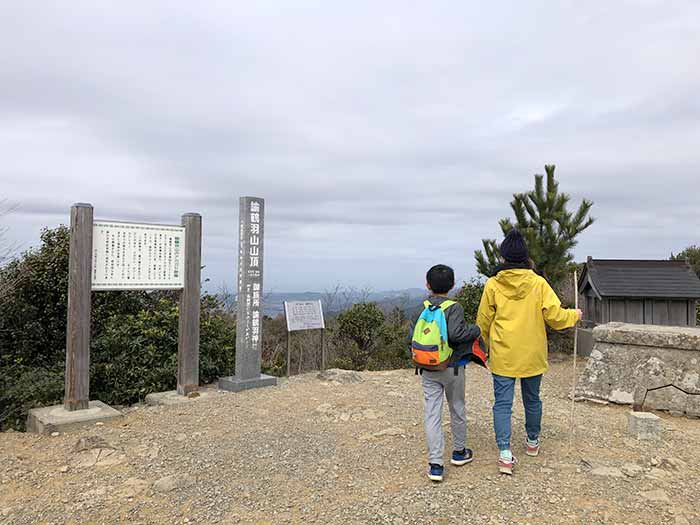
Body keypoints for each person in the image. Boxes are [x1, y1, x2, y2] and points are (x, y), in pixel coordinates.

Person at [476, 229, 582, 475]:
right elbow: (556, 317)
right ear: (525, 257)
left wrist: (488, 345)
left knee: (502, 403)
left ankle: (505, 454)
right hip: (533, 352)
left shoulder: (493, 284)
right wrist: (574, 315)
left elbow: (482, 321)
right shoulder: (538, 283)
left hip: (503, 353)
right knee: (532, 399)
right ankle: (532, 442)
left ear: (503, 257)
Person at [408, 264, 481, 482]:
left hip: (428, 368)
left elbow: (410, 339)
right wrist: (476, 329)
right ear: (452, 285)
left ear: (427, 285)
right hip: (453, 367)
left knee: (432, 413)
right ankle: (459, 453)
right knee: (457, 407)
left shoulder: (420, 308)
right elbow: (457, 334)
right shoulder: (454, 307)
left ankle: (436, 465)